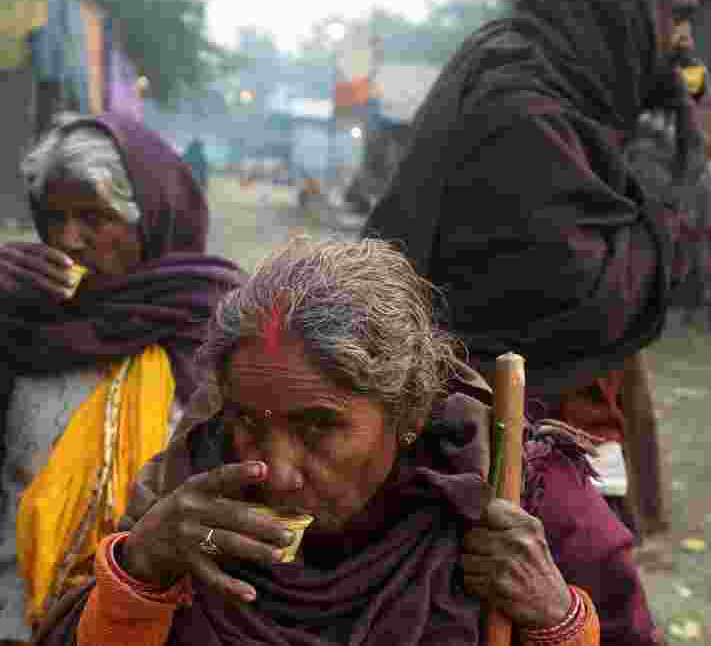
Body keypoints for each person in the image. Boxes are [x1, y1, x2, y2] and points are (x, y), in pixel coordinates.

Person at [34, 238, 661, 646]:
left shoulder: (525, 502)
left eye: (318, 427)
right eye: (250, 421)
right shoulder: (188, 490)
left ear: (406, 410)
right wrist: (140, 574)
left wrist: (557, 621)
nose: (275, 472)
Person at [362, 0, 707, 541]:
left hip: (548, 440)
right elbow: (595, 302)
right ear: (621, 0)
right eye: (677, 13)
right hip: (493, 459)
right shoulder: (524, 107)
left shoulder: (566, 90)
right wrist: (662, 176)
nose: (685, 41)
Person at [0, 112, 245, 646]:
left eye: (93, 216)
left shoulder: (215, 323)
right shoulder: (27, 321)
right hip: (19, 622)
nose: (69, 238)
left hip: (161, 624)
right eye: (53, 218)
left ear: (149, 217)